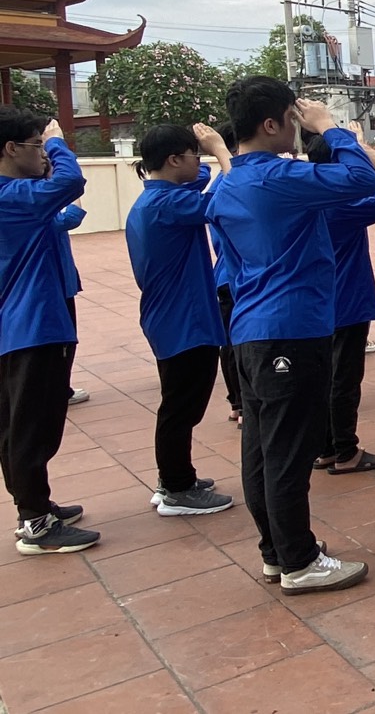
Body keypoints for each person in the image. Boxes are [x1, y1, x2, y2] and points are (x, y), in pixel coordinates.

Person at [207, 77, 375, 594]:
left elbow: (231, 263)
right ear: (270, 124)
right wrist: (331, 128)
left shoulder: (227, 185)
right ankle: (300, 560)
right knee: (287, 453)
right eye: (293, 119)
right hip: (291, 328)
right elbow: (360, 179)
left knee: (262, 449)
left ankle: (277, 551)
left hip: (252, 329)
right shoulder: (276, 177)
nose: (299, 128)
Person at [0, 108, 99, 554]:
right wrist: (59, 141)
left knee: (19, 423)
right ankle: (35, 522)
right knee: (31, 426)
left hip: (22, 325)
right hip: (31, 326)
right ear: (10, 149)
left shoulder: (17, 199)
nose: (43, 154)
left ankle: (34, 506)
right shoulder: (13, 195)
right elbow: (70, 181)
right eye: (36, 145)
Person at [126, 123, 235, 516]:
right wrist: (222, 151)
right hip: (183, 320)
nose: (200, 162)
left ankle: (175, 477)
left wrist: (198, 156)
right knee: (180, 407)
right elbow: (231, 195)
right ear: (173, 160)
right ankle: (177, 487)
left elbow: (200, 179)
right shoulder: (170, 204)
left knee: (179, 403)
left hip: (172, 317)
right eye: (193, 155)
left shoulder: (157, 198)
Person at [306, 126, 375, 475]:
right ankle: (346, 449)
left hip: (315, 303)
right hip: (346, 301)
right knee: (344, 380)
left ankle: (326, 447)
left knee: (322, 377)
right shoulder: (342, 206)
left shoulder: (303, 200)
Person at [210, 123, 242, 427]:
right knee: (235, 344)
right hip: (234, 275)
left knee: (231, 342)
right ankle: (241, 402)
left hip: (226, 274)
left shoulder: (222, 180)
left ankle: (237, 402)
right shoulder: (232, 180)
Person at [52, 206, 89, 405]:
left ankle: (59, 388)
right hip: (54, 288)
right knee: (62, 342)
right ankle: (59, 390)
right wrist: (75, 196)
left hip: (56, 285)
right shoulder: (34, 205)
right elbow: (70, 219)